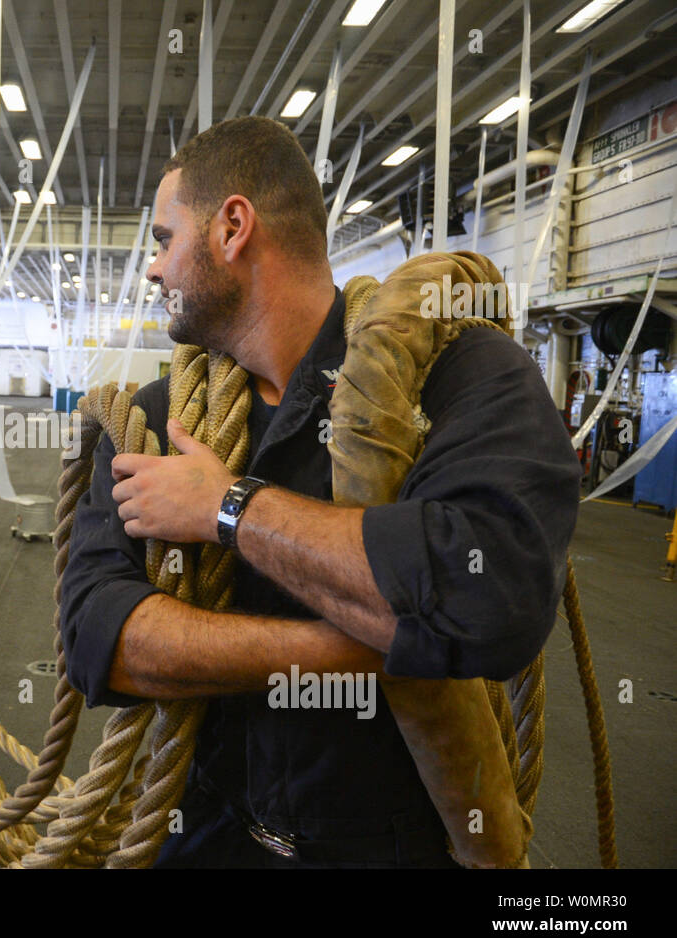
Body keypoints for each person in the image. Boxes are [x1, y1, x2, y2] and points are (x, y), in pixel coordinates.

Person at [58, 116, 581, 868]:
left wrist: (226, 507)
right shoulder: (154, 417)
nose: (153, 268)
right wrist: (370, 649)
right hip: (209, 830)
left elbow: (493, 594)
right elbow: (99, 636)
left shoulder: (465, 376)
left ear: (233, 227)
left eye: (165, 238)